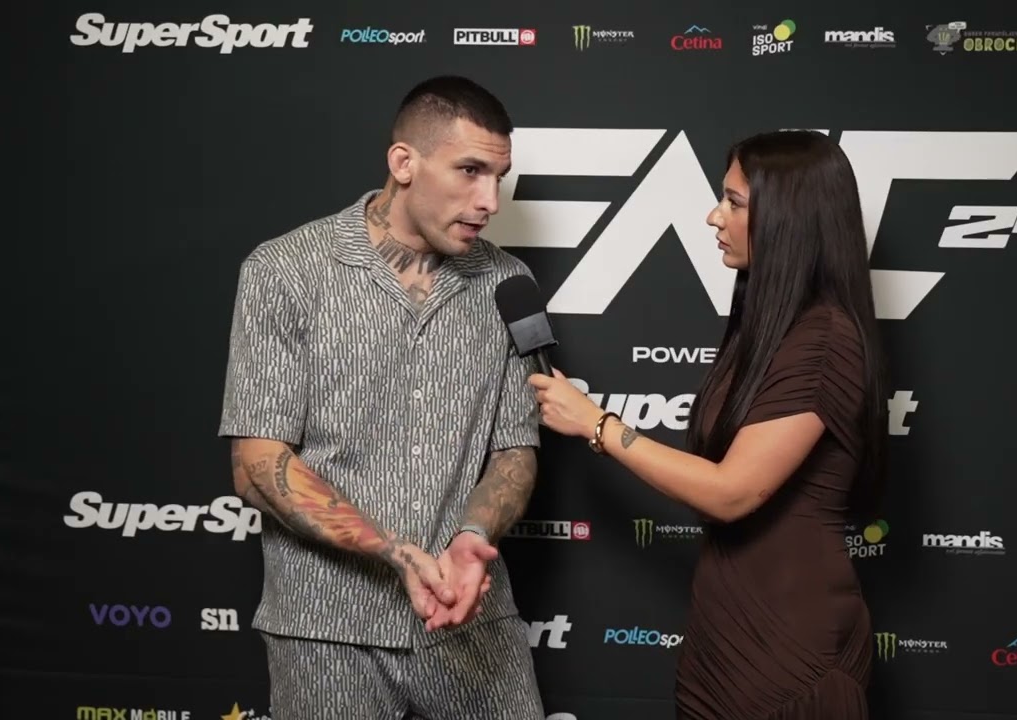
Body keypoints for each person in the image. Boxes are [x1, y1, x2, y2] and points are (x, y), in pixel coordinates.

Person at [218, 75, 545, 720]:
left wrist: (473, 535)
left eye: (498, 178)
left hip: (469, 617)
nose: (489, 201)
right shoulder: (285, 270)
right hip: (324, 629)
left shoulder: (508, 281)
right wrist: (394, 552)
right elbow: (257, 467)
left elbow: (515, 450)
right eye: (470, 171)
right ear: (404, 163)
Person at [530, 130, 888, 719]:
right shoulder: (772, 328)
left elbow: (731, 492)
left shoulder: (824, 340)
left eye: (734, 202)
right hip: (726, 631)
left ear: (789, 220)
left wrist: (598, 424)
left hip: (788, 642)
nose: (713, 216)